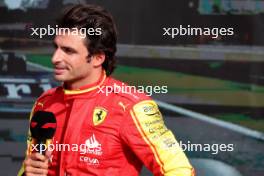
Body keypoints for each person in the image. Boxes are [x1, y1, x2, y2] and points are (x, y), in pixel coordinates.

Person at [18, 4, 195, 176]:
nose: (55, 58)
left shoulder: (132, 107)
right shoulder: (45, 103)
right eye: (56, 47)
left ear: (97, 58)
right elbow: (30, 167)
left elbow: (179, 170)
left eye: (68, 51)